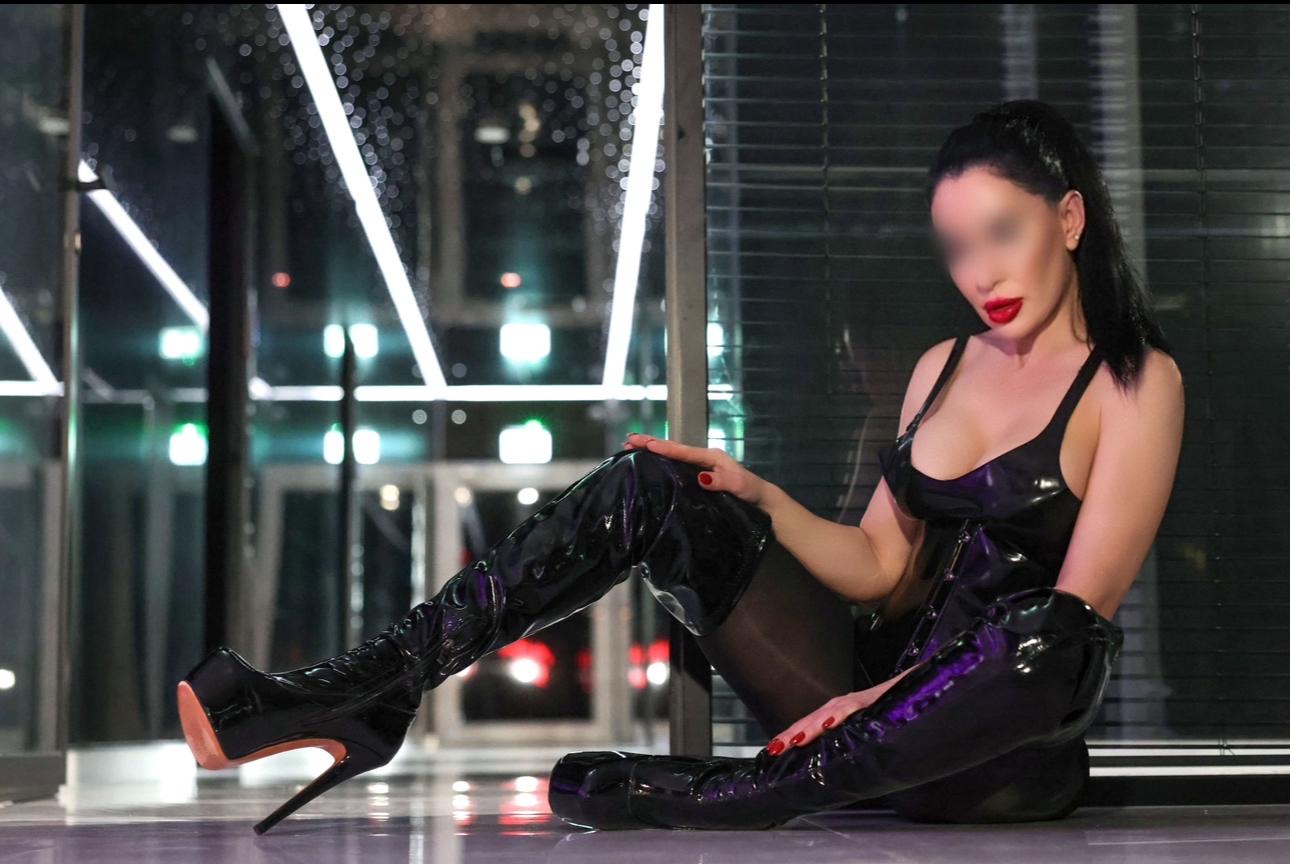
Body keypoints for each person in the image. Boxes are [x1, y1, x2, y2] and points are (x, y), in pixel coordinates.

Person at [174, 98, 1186, 834]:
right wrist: (755, 494)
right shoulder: (943, 364)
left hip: (996, 748)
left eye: (1003, 235)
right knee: (656, 485)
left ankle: (728, 796)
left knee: (1051, 633)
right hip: (861, 720)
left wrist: (887, 704)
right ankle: (370, 688)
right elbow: (881, 568)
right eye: (958, 248)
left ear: (1068, 219)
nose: (982, 274)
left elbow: (1075, 621)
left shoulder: (1136, 382)